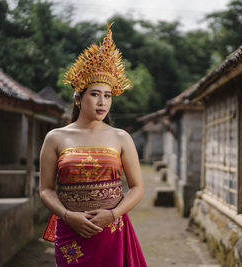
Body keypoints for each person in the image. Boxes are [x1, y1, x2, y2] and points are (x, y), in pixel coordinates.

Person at [39, 22, 147, 266]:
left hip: (111, 231)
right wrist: (67, 215)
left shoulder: (121, 138)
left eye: (107, 96)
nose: (102, 102)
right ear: (78, 98)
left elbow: (137, 187)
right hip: (70, 232)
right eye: (95, 94)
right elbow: (46, 189)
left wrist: (112, 214)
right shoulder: (55, 137)